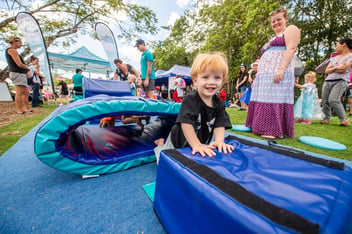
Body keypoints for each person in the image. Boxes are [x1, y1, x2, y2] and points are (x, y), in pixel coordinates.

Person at [153, 52, 234, 163]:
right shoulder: (190, 100)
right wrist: (196, 144)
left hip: (200, 140)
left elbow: (220, 124)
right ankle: (160, 145)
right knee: (163, 160)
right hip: (178, 142)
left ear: (222, 80)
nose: (211, 82)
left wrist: (219, 141)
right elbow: (186, 124)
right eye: (205, 77)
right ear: (195, 80)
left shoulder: (219, 103)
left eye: (217, 78)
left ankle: (194, 145)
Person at [245, 7, 301, 139]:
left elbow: (291, 48)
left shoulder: (290, 30)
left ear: (286, 18)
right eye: (273, 21)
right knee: (264, 98)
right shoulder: (274, 37)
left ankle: (273, 129)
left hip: (277, 72)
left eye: (278, 19)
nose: (275, 23)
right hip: (265, 74)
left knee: (273, 97)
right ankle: (258, 125)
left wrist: (281, 69)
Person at [320, 38, 352, 126]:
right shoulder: (334, 57)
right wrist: (336, 68)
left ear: (344, 44)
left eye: (337, 44)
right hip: (328, 80)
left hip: (341, 81)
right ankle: (326, 118)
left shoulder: (350, 56)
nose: (336, 47)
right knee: (325, 100)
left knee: (333, 100)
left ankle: (344, 119)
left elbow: (344, 68)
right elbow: (327, 70)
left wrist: (335, 69)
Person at [5, 36, 32, 114]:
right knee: (19, 91)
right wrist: (27, 68)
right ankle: (20, 110)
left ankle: (27, 108)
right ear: (14, 42)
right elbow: (19, 64)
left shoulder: (14, 51)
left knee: (25, 92)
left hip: (20, 73)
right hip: (17, 73)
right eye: (19, 42)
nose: (21, 44)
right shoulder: (12, 50)